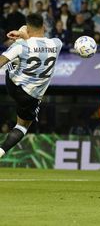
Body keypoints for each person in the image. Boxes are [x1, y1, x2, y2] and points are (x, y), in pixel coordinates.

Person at [0, 14, 63, 158]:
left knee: (13, 59)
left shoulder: (21, 46)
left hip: (13, 86)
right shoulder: (56, 44)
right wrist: (23, 34)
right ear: (44, 27)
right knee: (21, 126)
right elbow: (38, 45)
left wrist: (21, 35)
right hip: (31, 97)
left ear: (28, 29)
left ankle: (15, 62)